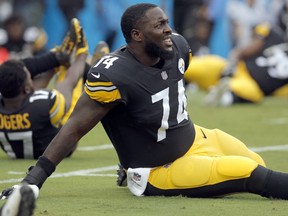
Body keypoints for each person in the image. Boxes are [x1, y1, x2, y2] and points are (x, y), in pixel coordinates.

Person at [3, 3, 288, 205]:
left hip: (195, 138)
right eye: (159, 25)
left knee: (257, 161)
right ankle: (131, 175)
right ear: (137, 35)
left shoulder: (177, 47)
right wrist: (33, 180)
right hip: (160, 169)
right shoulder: (114, 74)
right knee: (250, 173)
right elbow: (73, 129)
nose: (168, 30)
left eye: (166, 23)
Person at [0, 18, 89, 159]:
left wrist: (54, 64)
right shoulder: (43, 104)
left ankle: (57, 58)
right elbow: (68, 82)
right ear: (27, 88)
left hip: (15, 152)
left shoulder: (14, 98)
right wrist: (82, 53)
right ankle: (95, 69)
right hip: (58, 149)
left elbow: (27, 92)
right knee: (71, 99)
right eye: (29, 77)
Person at [184, 22, 288, 106]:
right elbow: (256, 41)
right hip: (238, 69)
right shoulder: (275, 36)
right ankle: (224, 93)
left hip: (248, 81)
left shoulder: (273, 35)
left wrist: (238, 55)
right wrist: (238, 55)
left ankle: (223, 96)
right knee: (192, 66)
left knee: (251, 94)